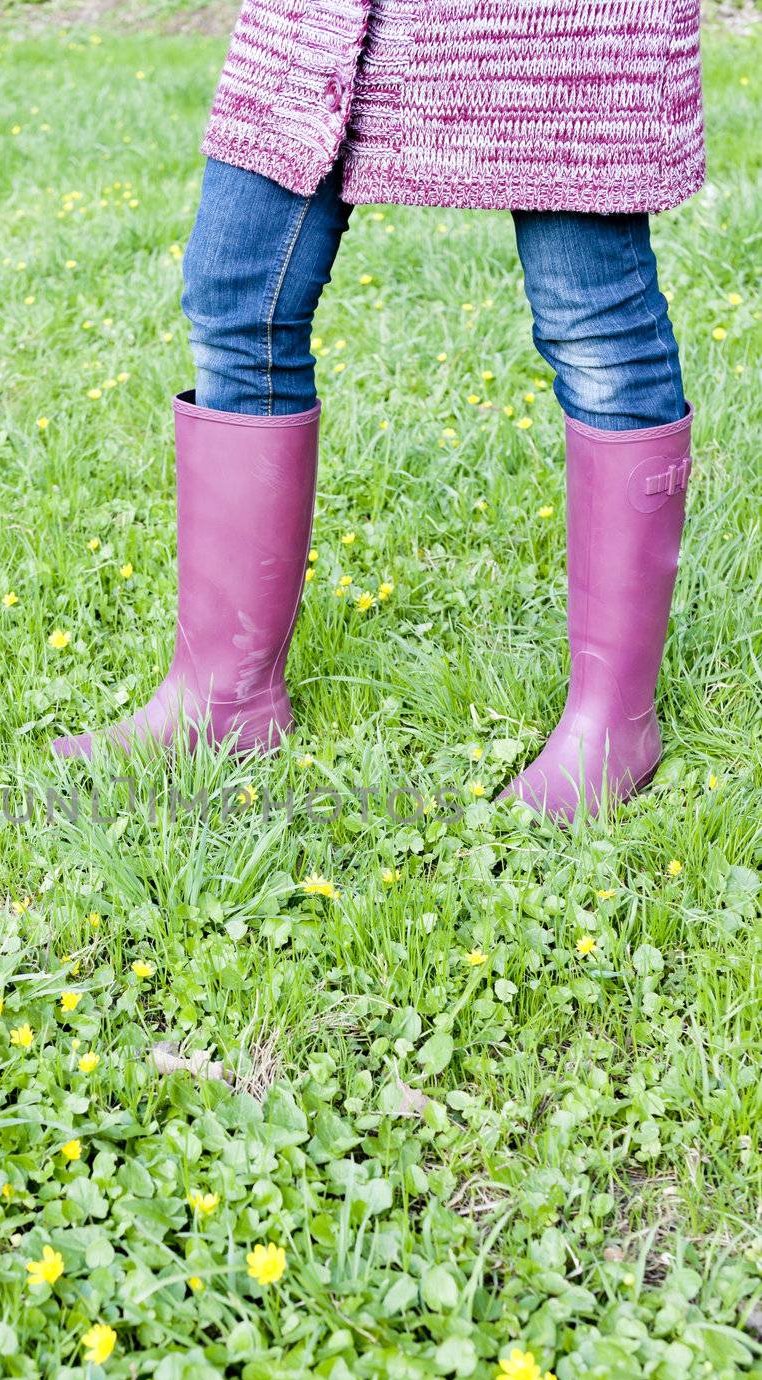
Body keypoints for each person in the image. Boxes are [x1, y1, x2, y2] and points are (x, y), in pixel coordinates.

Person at [53, 0, 704, 823]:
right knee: (234, 289)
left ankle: (613, 726)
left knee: (590, 321)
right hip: (324, 20)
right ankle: (223, 699)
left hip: (556, 29)